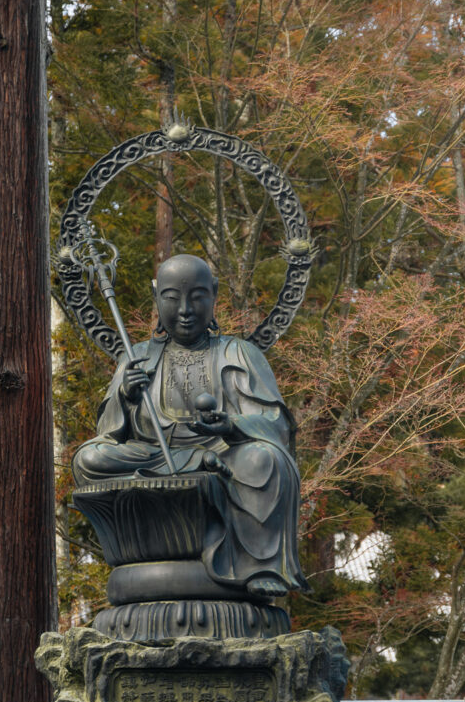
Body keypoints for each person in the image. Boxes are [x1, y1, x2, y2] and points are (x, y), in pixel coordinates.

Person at [73, 253, 310, 598]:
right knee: (88, 458)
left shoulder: (239, 352)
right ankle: (194, 464)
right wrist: (125, 395)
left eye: (197, 297)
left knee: (264, 459)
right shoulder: (136, 356)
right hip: (155, 455)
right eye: (172, 298)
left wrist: (230, 425)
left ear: (214, 294)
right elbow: (111, 434)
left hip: (225, 456)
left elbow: (275, 425)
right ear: (156, 297)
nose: (185, 309)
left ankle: (259, 565)